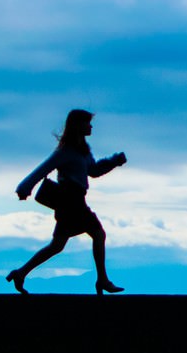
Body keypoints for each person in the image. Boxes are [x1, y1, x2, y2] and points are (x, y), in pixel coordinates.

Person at [7, 109, 128, 295]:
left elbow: (93, 171)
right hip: (70, 201)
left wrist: (114, 161)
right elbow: (42, 169)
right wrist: (24, 189)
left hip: (75, 200)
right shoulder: (66, 151)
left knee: (57, 245)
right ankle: (102, 280)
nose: (91, 126)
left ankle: (21, 273)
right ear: (78, 125)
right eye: (88, 123)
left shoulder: (83, 151)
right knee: (98, 234)